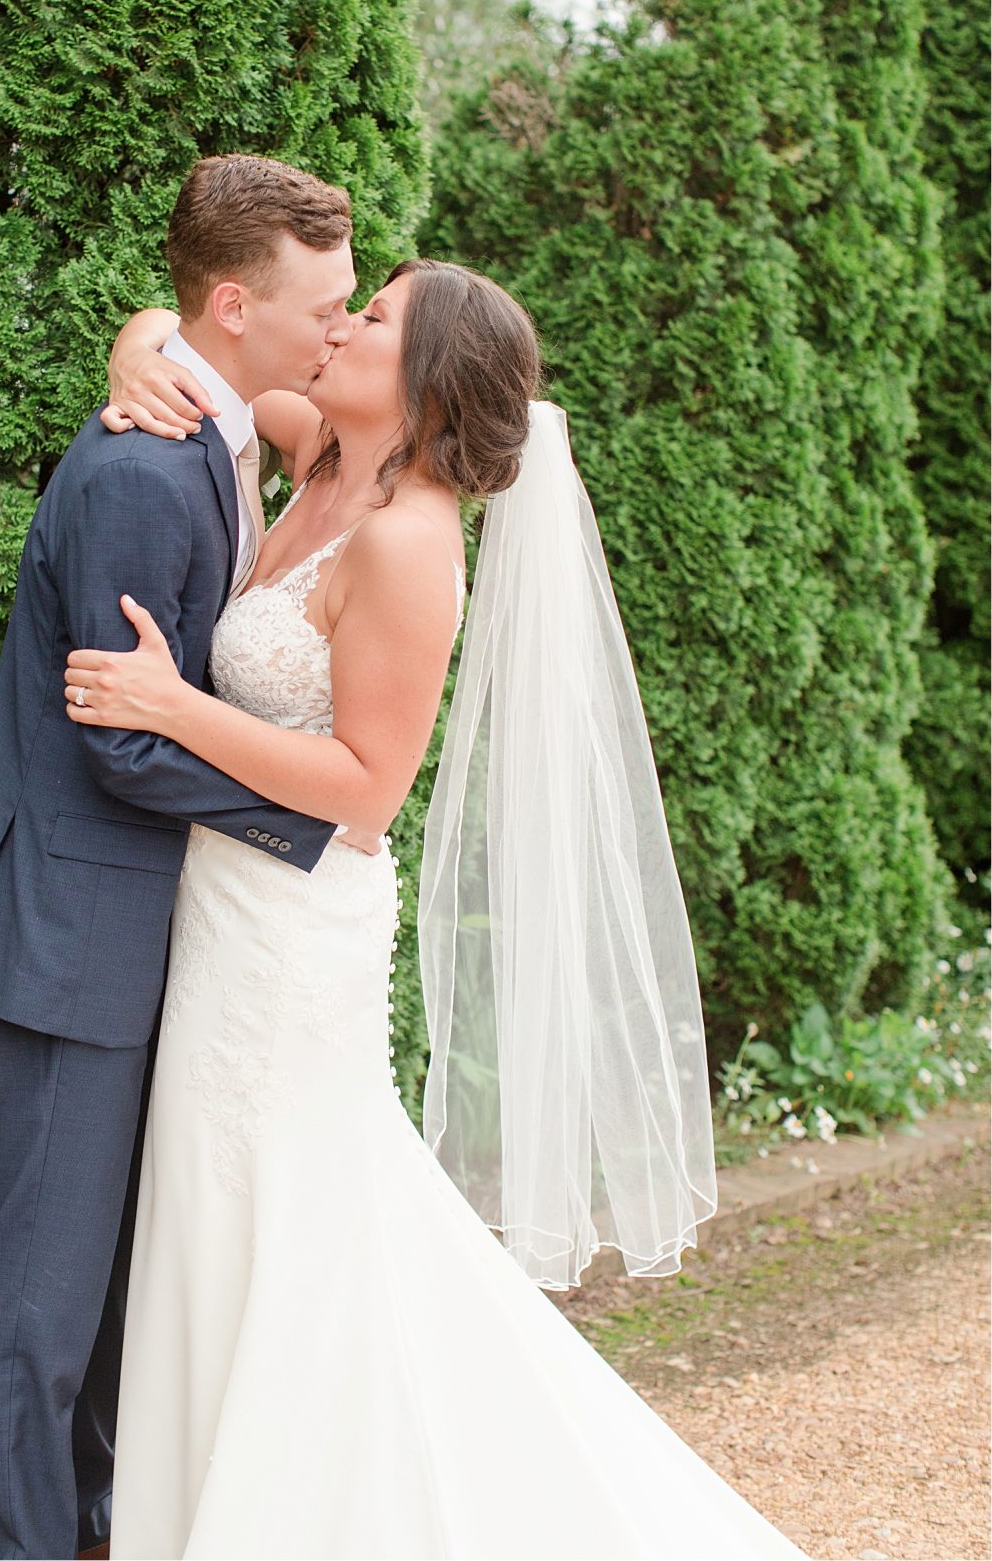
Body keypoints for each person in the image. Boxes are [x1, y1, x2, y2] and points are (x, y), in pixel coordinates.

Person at [61, 259, 815, 1561]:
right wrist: (141, 341)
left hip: (292, 940)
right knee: (213, 1216)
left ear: (421, 384)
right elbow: (198, 348)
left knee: (288, 1221)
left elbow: (367, 790)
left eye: (375, 319)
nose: (343, 325)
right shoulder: (323, 453)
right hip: (220, 913)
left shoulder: (408, 539)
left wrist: (177, 708)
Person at [0, 153, 372, 1561]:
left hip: (140, 932)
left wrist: (145, 334)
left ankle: (98, 1524)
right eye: (322, 309)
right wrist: (312, 826)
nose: (339, 333)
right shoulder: (138, 465)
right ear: (235, 307)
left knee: (109, 1293)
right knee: (38, 1301)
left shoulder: (227, 433)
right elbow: (117, 735)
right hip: (69, 933)